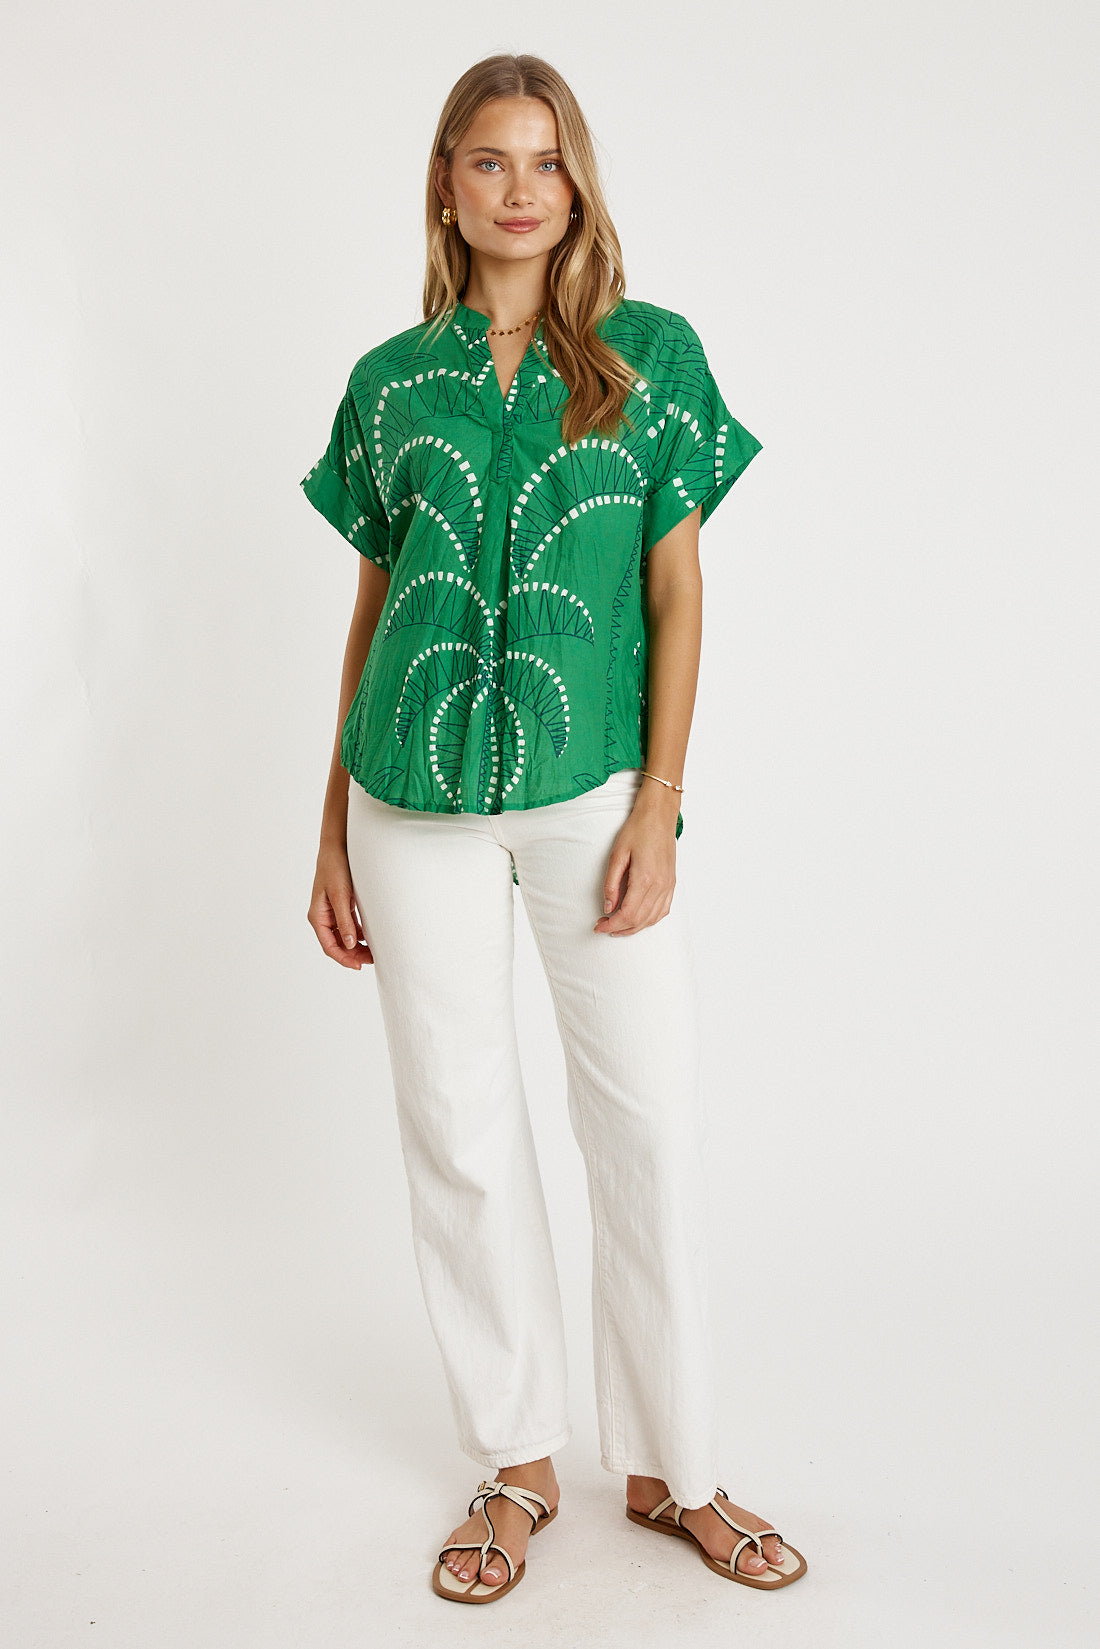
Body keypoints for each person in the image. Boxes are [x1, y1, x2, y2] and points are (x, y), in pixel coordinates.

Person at [301, 52, 807, 1605]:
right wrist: (329, 825)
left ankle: (674, 1466)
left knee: (645, 1121)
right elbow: (373, 605)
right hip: (409, 797)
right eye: (488, 161)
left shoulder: (652, 359)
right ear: (446, 185)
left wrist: (661, 800)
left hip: (593, 787)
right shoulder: (390, 383)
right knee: (459, 1131)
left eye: (545, 161)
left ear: (577, 183)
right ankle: (516, 1462)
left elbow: (678, 591)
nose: (519, 190)